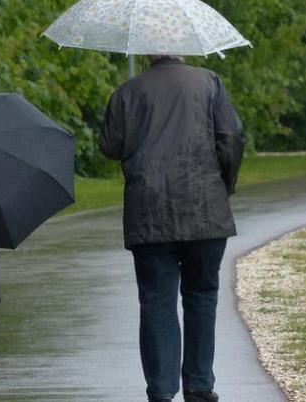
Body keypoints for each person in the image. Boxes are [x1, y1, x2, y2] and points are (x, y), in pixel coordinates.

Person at [99, 55, 244, 402]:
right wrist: (225, 183)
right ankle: (198, 386)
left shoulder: (127, 93)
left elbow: (109, 146)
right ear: (183, 48)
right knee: (202, 297)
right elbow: (232, 136)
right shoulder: (209, 82)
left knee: (156, 302)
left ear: (148, 53)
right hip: (205, 209)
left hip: (148, 212)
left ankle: (162, 391)